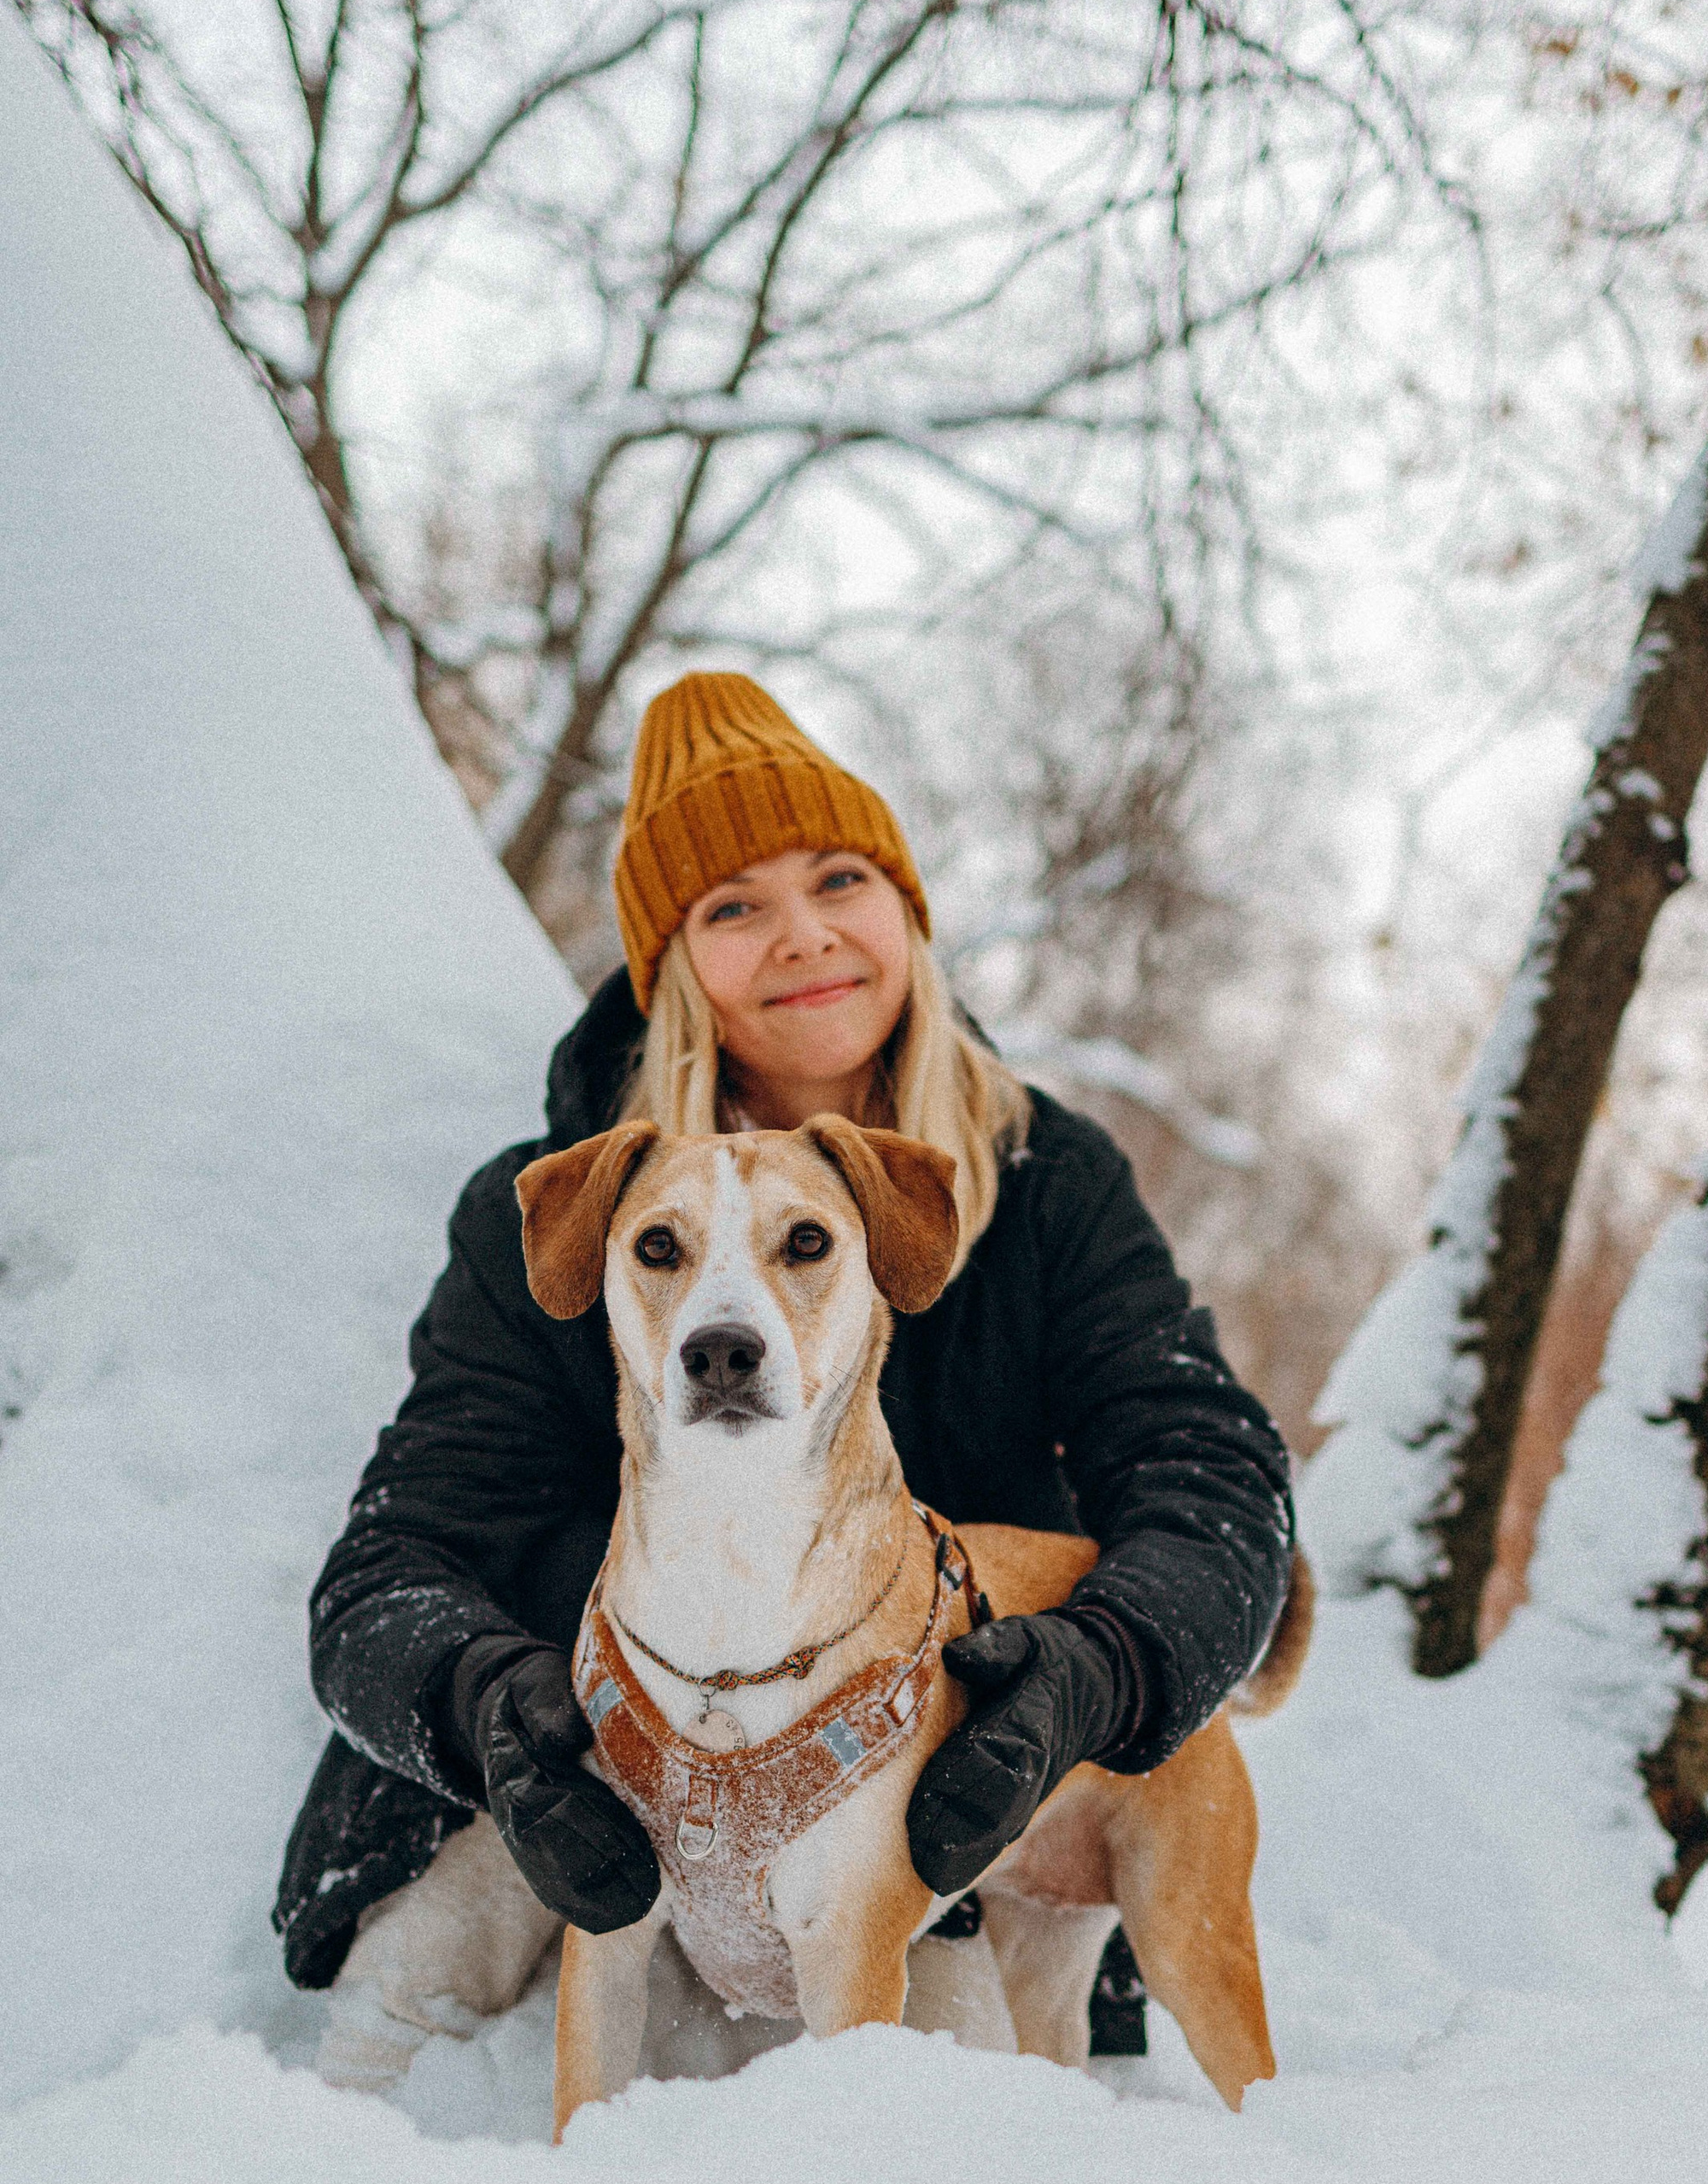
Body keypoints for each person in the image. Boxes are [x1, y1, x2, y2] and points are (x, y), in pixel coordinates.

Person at [276, 672, 1294, 2072]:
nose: (804, 935)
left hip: (901, 1807)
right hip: (587, 1798)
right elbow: (388, 1565)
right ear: (673, 962)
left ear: (906, 909)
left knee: (935, 2121)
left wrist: (1097, 1670)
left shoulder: (1045, 1183)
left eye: (839, 878)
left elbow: (1212, 1479)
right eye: (733, 905)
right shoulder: (563, 1205)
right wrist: (494, 1716)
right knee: (405, 2029)